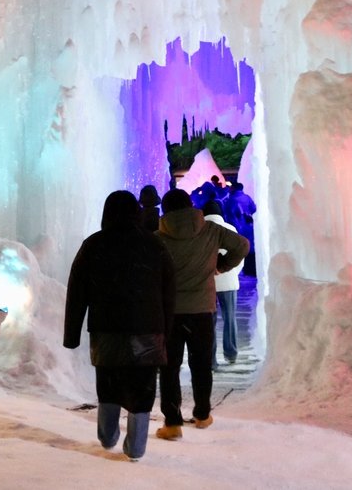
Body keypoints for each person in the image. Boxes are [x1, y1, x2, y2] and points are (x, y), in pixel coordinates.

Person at [64, 190, 176, 461]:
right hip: (148, 328)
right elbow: (169, 292)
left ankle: (107, 435)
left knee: (108, 382)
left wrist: (72, 334)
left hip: (106, 328)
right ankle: (136, 446)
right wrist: (166, 331)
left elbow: (77, 291)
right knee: (143, 387)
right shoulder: (155, 245)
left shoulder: (94, 244)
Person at [155, 188, 249, 441]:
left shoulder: (157, 238)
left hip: (170, 312)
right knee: (201, 365)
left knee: (169, 368)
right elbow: (242, 245)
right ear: (191, 207)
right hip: (202, 310)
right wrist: (221, 266)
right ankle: (202, 414)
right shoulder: (211, 230)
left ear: (166, 211)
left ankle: (173, 423)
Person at [203, 200, 244, 368]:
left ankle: (211, 360)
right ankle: (231, 353)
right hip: (228, 281)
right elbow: (240, 254)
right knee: (230, 318)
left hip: (207, 282)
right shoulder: (230, 229)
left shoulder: (201, 231)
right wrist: (233, 271)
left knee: (208, 323)